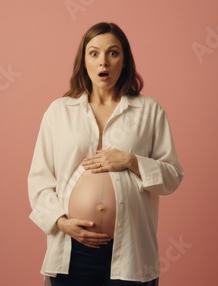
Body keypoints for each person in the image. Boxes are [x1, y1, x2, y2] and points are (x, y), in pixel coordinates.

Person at [28, 22, 184, 286]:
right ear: (84, 61)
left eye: (113, 53)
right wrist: (61, 222)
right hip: (72, 249)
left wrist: (131, 161)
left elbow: (172, 177)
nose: (104, 62)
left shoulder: (149, 111)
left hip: (131, 251)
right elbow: (40, 179)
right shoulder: (59, 111)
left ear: (124, 61)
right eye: (94, 53)